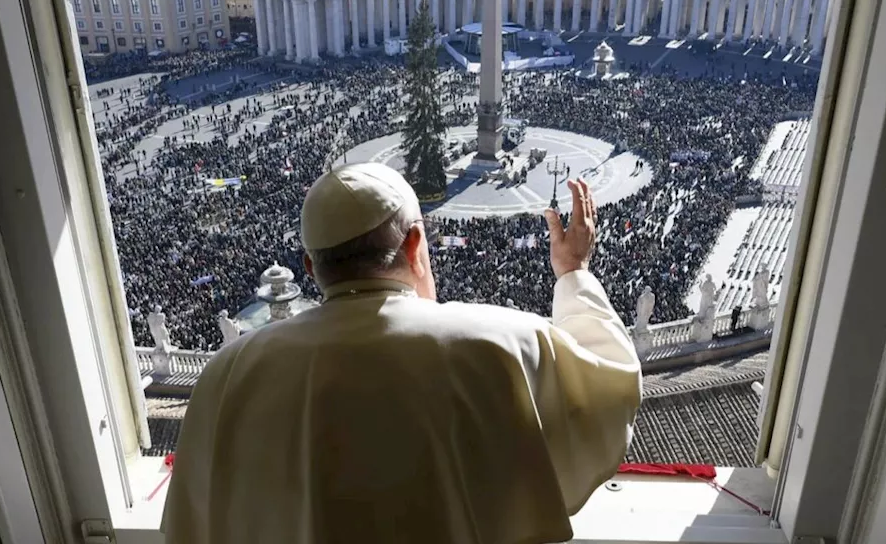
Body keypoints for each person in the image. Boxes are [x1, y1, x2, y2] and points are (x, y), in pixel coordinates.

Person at [162, 163, 643, 544]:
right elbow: (611, 383)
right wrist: (573, 273)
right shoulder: (499, 342)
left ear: (311, 267)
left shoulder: (228, 374)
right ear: (415, 244)